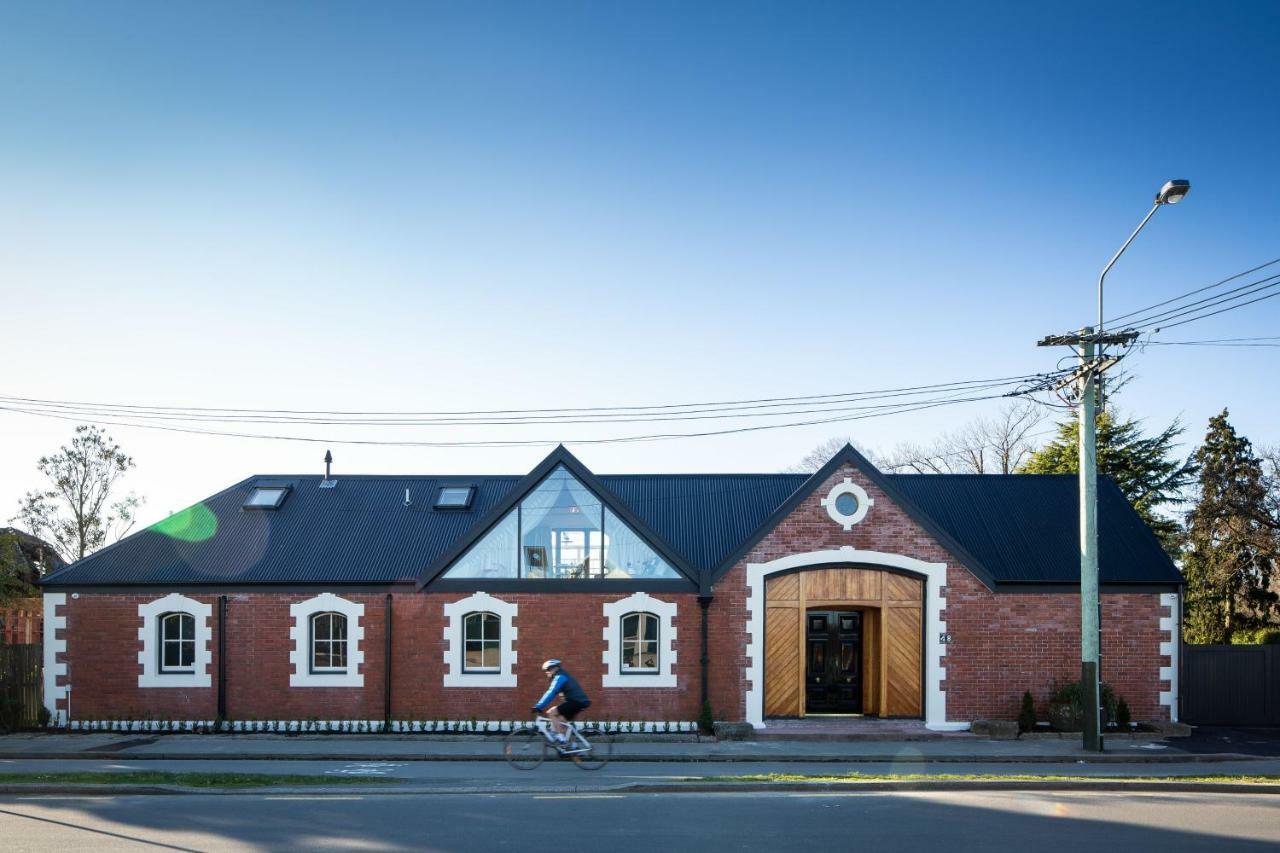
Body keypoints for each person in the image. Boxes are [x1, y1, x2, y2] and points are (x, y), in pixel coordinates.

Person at [532, 659, 591, 746]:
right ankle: (572, 747)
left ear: (555, 668)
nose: (547, 672)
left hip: (576, 702)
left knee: (551, 712)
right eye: (546, 671)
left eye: (548, 669)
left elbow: (551, 692)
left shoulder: (560, 677)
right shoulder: (562, 675)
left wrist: (539, 706)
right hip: (578, 702)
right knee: (560, 722)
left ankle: (561, 738)